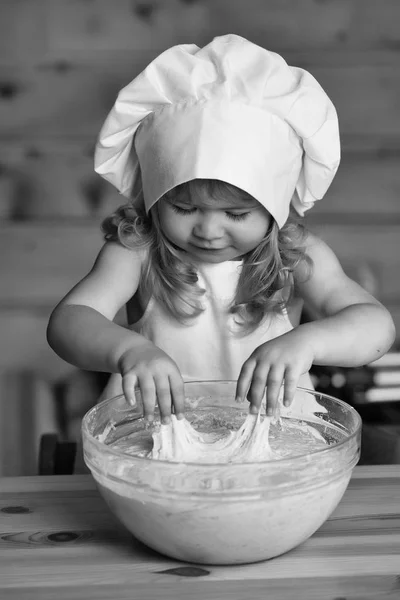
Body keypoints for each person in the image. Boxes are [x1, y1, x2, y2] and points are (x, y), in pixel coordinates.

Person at [47, 35, 395, 426]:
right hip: (152, 438)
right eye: (183, 207)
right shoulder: (137, 251)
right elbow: (68, 322)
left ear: (274, 208)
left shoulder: (297, 255)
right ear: (153, 198)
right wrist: (128, 351)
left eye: (236, 213)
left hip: (273, 439)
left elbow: (376, 328)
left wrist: (307, 342)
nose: (209, 230)